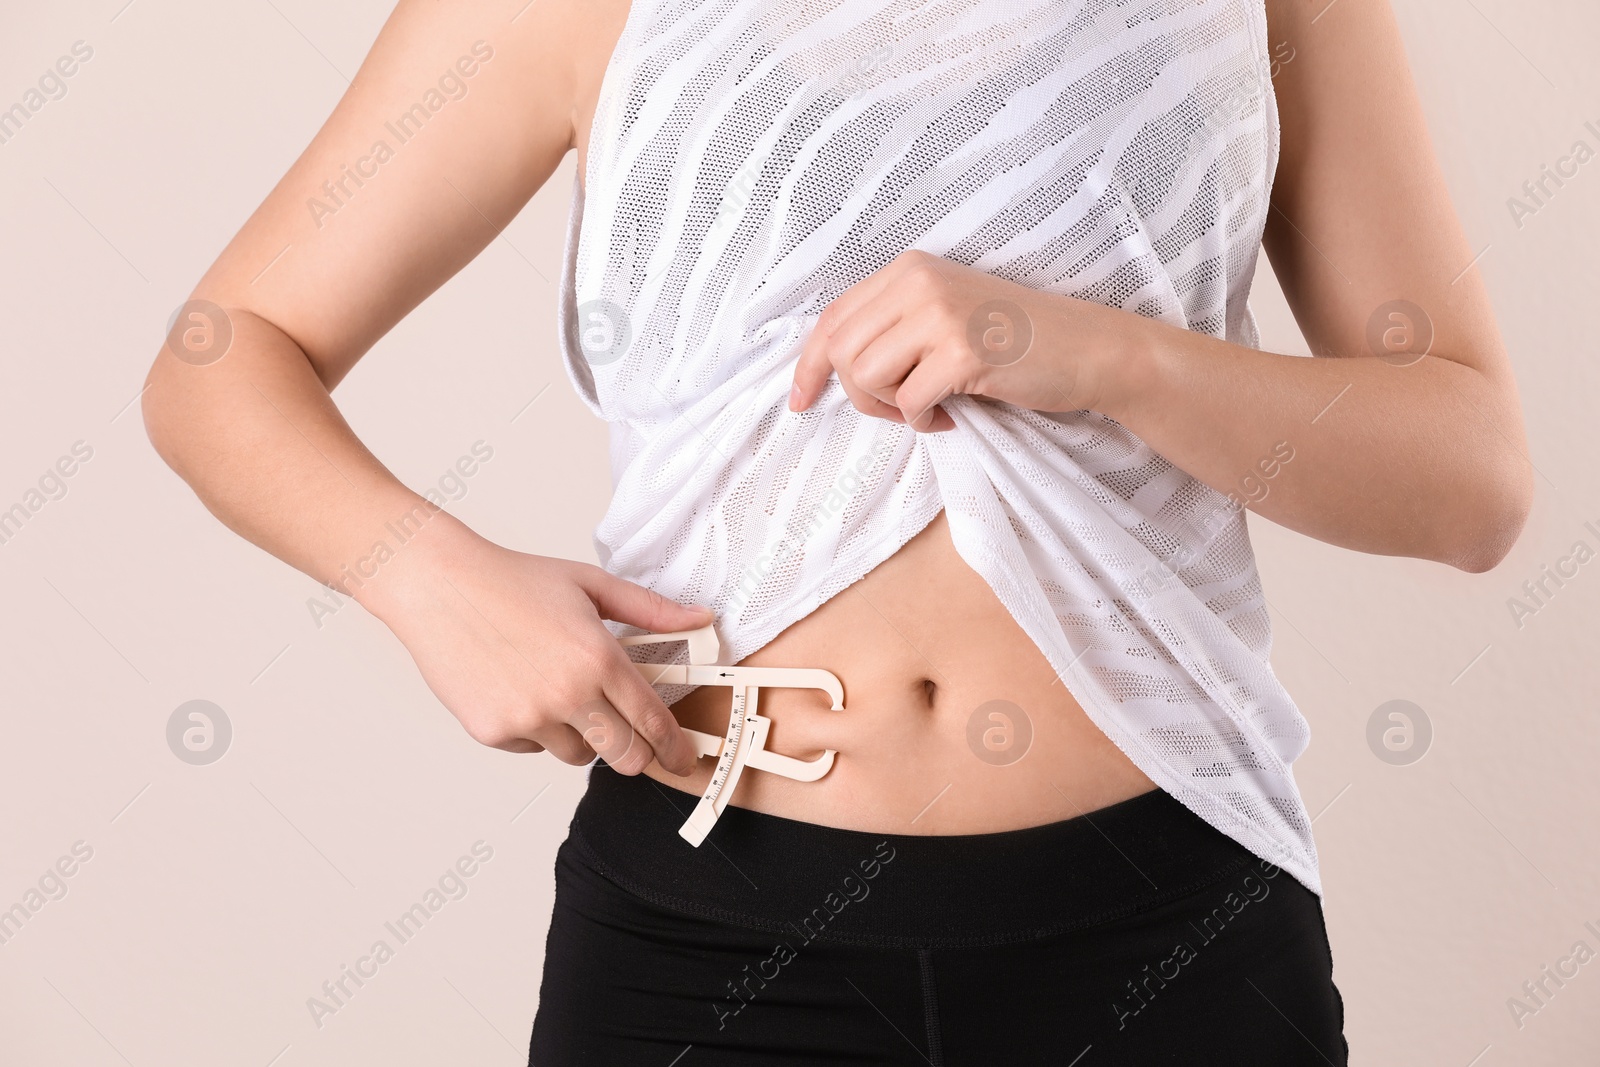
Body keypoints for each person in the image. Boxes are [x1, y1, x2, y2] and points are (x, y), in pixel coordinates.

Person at [142, 0, 1531, 1062]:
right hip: (708, 936)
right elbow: (221, 356)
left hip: (1170, 923)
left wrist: (1109, 357)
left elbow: (1471, 475)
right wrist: (435, 584)